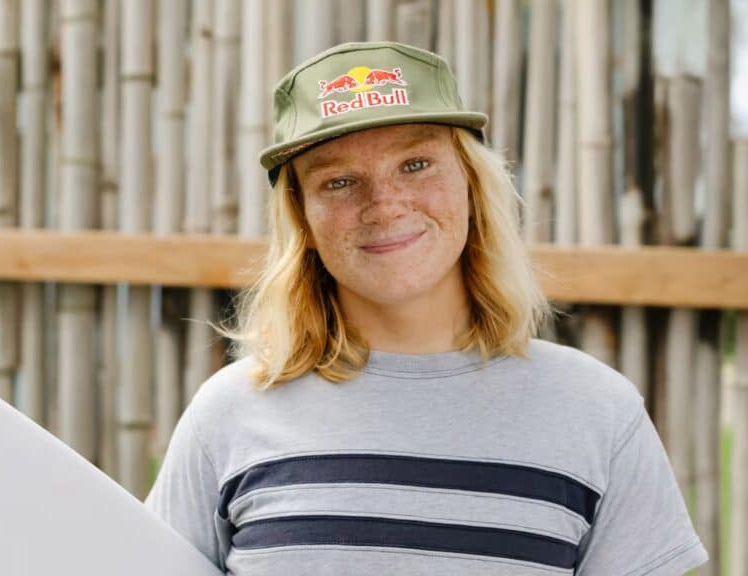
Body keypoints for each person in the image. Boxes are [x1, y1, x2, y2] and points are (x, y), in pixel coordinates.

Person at [145, 41, 707, 576]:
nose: (384, 205)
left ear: (472, 184)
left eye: (415, 164)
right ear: (303, 220)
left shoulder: (597, 412)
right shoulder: (229, 414)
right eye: (339, 182)